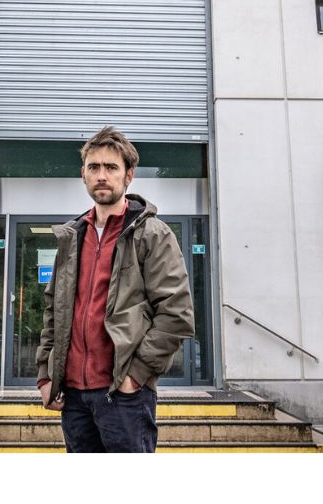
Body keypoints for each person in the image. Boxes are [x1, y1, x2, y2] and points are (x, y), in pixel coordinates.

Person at [35, 128, 195, 455]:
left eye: (111, 167)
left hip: (124, 397)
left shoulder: (152, 234)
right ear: (83, 175)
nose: (102, 175)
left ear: (129, 175)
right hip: (75, 397)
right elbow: (55, 311)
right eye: (94, 167)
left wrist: (134, 376)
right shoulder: (72, 237)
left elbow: (176, 314)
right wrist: (45, 376)